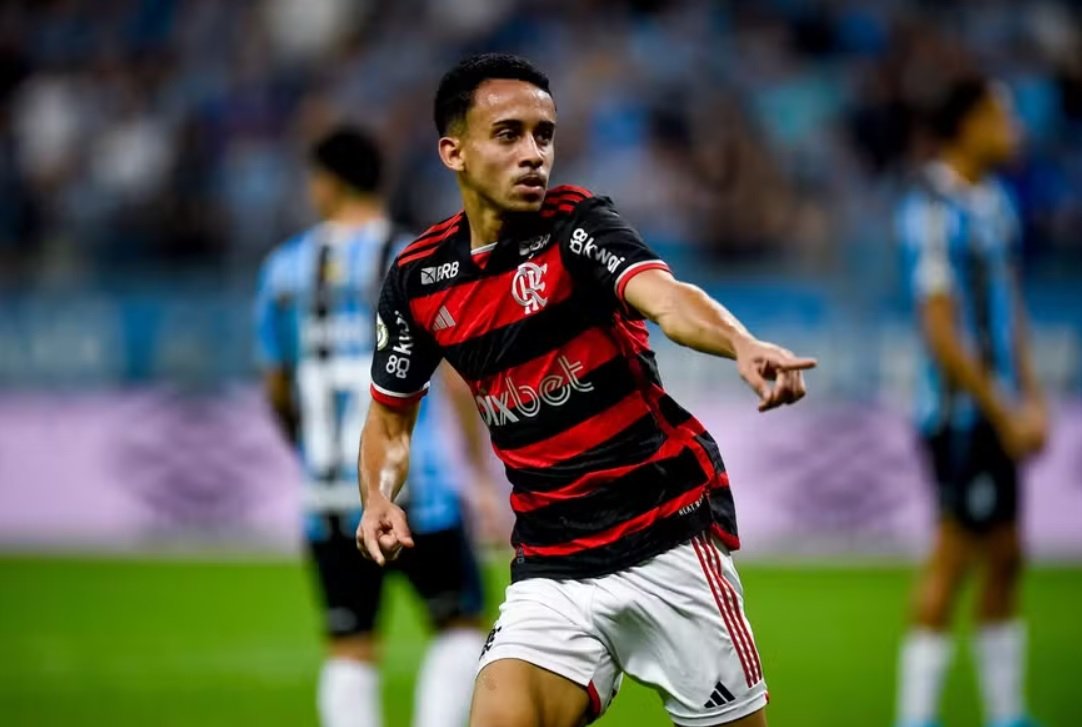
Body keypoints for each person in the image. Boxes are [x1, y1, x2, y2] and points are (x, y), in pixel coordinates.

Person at [356, 53, 816, 727]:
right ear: (453, 151)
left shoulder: (575, 226)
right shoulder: (419, 280)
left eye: (543, 134)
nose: (534, 153)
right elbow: (390, 423)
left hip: (665, 539)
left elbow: (667, 299)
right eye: (508, 133)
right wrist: (378, 495)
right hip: (552, 566)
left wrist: (740, 341)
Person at [255, 126, 497, 727]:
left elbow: (277, 387)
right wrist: (479, 473)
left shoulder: (284, 271)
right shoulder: (419, 258)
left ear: (328, 183)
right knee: (461, 623)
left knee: (350, 644)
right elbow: (454, 379)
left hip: (333, 493)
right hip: (424, 489)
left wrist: (310, 449)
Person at [894, 77, 1048, 727]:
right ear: (967, 124)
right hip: (959, 417)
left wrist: (1033, 397)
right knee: (954, 558)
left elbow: (1010, 311)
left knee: (1009, 553)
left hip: (1000, 409)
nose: (1012, 128)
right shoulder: (931, 206)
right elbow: (940, 330)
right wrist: (1001, 407)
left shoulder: (995, 204)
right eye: (1001, 115)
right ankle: (916, 715)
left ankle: (1007, 710)